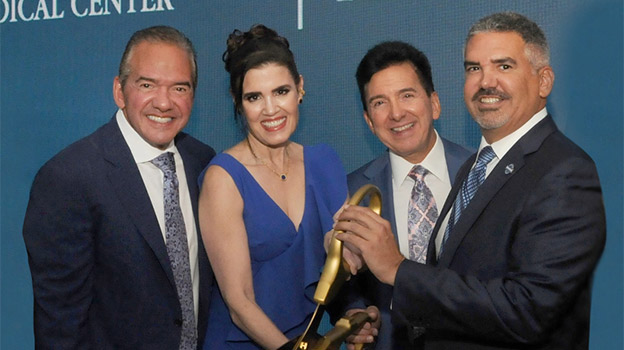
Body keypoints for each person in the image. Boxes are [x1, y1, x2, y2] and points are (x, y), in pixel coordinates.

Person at [335, 12, 606, 349]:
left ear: (544, 81)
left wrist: (397, 269)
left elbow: (529, 311)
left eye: (504, 66)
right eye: (473, 68)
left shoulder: (565, 171)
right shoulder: (479, 167)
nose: (485, 81)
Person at [23, 26, 215, 349]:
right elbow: (60, 328)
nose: (164, 102)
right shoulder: (69, 178)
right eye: (147, 85)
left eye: (179, 88)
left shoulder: (203, 162)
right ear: (119, 91)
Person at [198, 24, 347, 349]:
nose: (270, 109)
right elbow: (239, 303)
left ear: (300, 88)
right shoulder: (224, 178)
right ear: (238, 103)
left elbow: (340, 260)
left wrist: (357, 311)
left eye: (281, 91)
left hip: (306, 341)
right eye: (254, 97)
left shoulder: (324, 162)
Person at [327, 41, 472, 349]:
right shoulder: (353, 191)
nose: (396, 113)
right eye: (379, 103)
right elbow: (347, 287)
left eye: (407, 95)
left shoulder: (481, 175)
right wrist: (354, 314)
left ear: (434, 103)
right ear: (368, 120)